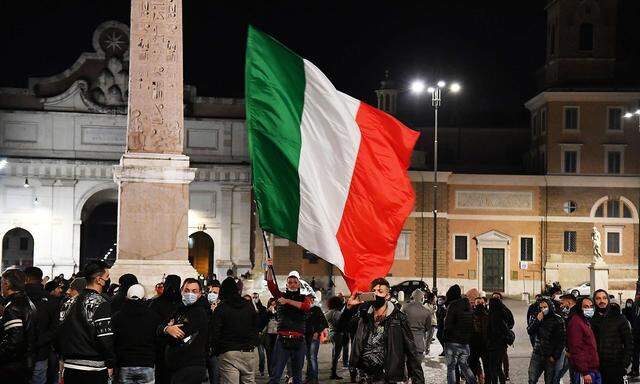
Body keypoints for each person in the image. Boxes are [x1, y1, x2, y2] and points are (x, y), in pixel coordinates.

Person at [341, 277, 425, 384]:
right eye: (373, 291)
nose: (376, 294)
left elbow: (411, 351)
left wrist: (418, 380)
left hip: (387, 377)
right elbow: (341, 327)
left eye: (380, 291)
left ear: (387, 296)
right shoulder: (364, 316)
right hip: (364, 376)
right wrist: (349, 308)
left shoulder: (399, 318)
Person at [58, 261, 114, 384]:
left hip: (70, 366)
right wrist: (110, 362)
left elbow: (59, 333)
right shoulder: (101, 303)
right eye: (107, 277)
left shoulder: (68, 303)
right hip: (94, 368)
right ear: (99, 280)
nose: (108, 280)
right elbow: (105, 338)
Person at [265, 259, 312, 384]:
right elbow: (270, 283)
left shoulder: (304, 298)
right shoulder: (281, 295)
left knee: (297, 377)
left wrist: (287, 302)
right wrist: (269, 267)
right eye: (290, 282)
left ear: (298, 284)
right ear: (287, 284)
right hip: (282, 340)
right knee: (276, 375)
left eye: (295, 282)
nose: (292, 284)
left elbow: (306, 307)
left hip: (299, 340)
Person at [159, 278, 210, 384]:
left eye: (194, 291)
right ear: (181, 291)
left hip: (191, 366)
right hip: (176, 366)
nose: (190, 294)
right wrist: (167, 329)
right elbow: (159, 328)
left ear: (200, 294)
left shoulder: (199, 312)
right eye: (186, 290)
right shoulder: (178, 309)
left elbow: (179, 335)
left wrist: (169, 332)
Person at [210, 277, 258, 384]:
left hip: (229, 351)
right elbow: (255, 326)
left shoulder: (221, 308)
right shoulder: (248, 306)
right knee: (249, 381)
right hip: (248, 351)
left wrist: (216, 350)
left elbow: (216, 331)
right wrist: (253, 343)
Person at [112, 284, 162, 384]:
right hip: (146, 363)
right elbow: (158, 340)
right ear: (144, 298)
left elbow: (113, 340)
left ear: (126, 297)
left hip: (125, 363)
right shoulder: (153, 316)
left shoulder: (117, 316)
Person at [0, 268, 37, 384]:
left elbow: (14, 342)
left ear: (7, 284)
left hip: (12, 367)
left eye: (2, 282)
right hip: (26, 363)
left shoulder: (13, 307)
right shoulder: (28, 302)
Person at [24, 267, 59, 384]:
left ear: (26, 278)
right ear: (40, 279)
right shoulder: (51, 300)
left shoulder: (19, 298)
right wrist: (40, 341)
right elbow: (55, 328)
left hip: (20, 352)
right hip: (41, 352)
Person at [591, 289, 632, 384]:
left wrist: (625, 363)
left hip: (617, 366)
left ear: (608, 300)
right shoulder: (592, 321)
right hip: (598, 367)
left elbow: (629, 342)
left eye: (604, 298)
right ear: (594, 301)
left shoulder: (619, 318)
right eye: (598, 298)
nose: (602, 301)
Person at [148, 275, 182, 384]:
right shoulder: (182, 303)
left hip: (161, 348)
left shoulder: (156, 303)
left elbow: (151, 326)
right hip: (179, 346)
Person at [443, 284, 476, 384]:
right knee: (464, 365)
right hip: (465, 343)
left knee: (451, 367)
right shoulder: (468, 307)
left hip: (453, 342)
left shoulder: (453, 306)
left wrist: (446, 337)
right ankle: (473, 382)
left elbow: (447, 325)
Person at [527, 298, 565, 384]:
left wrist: (555, 356)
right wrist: (537, 321)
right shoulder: (538, 317)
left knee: (549, 380)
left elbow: (561, 340)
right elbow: (530, 331)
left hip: (550, 356)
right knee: (532, 378)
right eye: (541, 307)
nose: (543, 309)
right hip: (537, 353)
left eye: (545, 307)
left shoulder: (558, 320)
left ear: (550, 307)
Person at [566, 297, 600, 384]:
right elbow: (576, 349)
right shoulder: (576, 322)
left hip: (592, 369)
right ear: (580, 308)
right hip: (585, 371)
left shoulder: (585, 321)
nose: (589, 309)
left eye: (591, 306)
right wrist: (584, 372)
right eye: (585, 307)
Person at [401, 289, 431, 363]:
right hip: (419, 343)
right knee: (417, 369)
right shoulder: (426, 311)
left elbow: (399, 321)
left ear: (412, 297)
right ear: (422, 298)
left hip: (406, 342)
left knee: (405, 368)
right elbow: (428, 327)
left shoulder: (405, 307)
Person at [304, 292, 328, 384]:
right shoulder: (303, 309)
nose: (308, 300)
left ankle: (314, 379)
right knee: (308, 358)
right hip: (305, 336)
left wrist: (317, 332)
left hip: (314, 337)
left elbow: (324, 323)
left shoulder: (316, 309)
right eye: (306, 299)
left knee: (312, 357)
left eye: (310, 299)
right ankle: (309, 377)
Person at [555, 293, 578, 384]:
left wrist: (568, 348)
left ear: (569, 301)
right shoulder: (571, 312)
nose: (562, 304)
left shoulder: (574, 313)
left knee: (566, 370)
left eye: (563, 301)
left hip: (572, 348)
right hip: (570, 347)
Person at [491, 292, 514, 381]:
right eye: (494, 298)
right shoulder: (490, 309)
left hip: (502, 339)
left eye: (497, 297)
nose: (496, 299)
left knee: (504, 356)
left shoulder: (505, 310)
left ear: (501, 299)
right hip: (492, 339)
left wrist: (506, 330)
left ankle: (506, 373)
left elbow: (511, 322)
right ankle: (497, 373)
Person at [325, 295, 346, 380]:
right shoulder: (338, 313)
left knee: (335, 353)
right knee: (336, 354)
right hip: (338, 334)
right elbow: (340, 324)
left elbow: (324, 323)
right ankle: (333, 372)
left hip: (331, 333)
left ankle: (333, 371)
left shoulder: (328, 313)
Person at [470, 296, 489, 383]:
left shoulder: (471, 315)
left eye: (481, 303)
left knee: (473, 367)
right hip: (481, 345)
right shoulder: (488, 315)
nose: (480, 304)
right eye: (479, 303)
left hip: (476, 345)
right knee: (485, 367)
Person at [263, 298, 278, 378]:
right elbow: (264, 320)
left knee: (275, 354)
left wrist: (275, 312)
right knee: (269, 354)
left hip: (276, 334)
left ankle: (275, 371)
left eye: (274, 304)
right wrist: (268, 312)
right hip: (268, 334)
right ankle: (270, 372)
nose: (273, 305)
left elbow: (279, 319)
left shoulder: (279, 311)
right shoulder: (267, 311)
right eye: (272, 304)